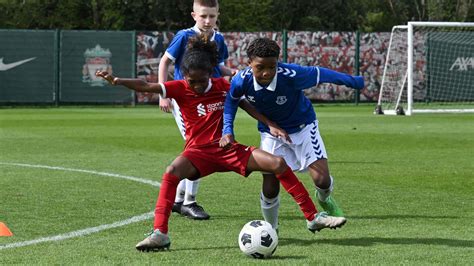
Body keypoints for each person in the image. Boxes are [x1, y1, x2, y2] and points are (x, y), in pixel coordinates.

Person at [96, 34, 346, 252]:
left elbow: (245, 104)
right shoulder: (180, 88)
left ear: (210, 74)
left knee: (278, 163)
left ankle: (313, 217)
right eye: (190, 81)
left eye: (200, 80)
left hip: (229, 150)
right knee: (171, 171)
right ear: (184, 77)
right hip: (198, 153)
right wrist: (118, 81)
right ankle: (160, 233)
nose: (195, 86)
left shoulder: (222, 85)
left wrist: (269, 123)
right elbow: (146, 85)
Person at [221, 37, 364, 231]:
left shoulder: (291, 74)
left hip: (303, 127)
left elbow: (321, 74)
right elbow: (231, 102)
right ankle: (271, 228)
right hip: (271, 134)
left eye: (272, 67)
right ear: (249, 64)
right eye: (260, 67)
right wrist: (227, 130)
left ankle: (325, 199)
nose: (267, 73)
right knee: (270, 180)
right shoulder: (241, 80)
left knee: (321, 181)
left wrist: (353, 81)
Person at [157, 0, 235, 220]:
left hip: (210, 100)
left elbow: (219, 68)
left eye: (212, 16)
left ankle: (181, 200)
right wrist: (164, 94)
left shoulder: (218, 39)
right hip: (186, 101)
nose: (208, 21)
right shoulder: (184, 36)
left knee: (200, 147)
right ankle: (188, 202)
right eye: (203, 16)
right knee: (199, 148)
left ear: (218, 14)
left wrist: (239, 74)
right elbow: (164, 62)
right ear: (194, 15)